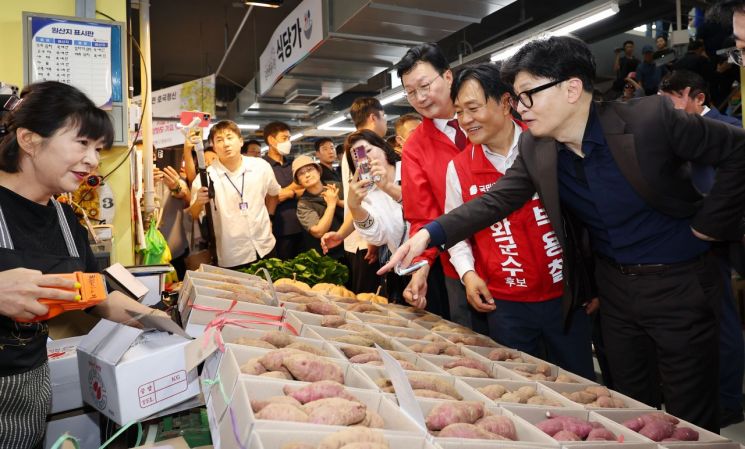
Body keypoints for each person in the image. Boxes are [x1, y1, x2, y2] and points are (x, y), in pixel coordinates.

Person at [382, 36, 745, 432]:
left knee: (689, 413)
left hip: (679, 283)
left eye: (527, 96)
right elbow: (495, 201)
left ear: (572, 88)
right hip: (615, 293)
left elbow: (737, 150)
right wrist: (428, 236)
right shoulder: (539, 148)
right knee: (630, 405)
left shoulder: (650, 119)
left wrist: (709, 227)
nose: (519, 108)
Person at [0, 81, 167, 448]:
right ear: (29, 140)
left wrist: (168, 323)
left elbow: (99, 296)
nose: (93, 160)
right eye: (81, 143)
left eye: (98, 148)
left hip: (30, 388)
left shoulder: (65, 218)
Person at [444, 62, 595, 380]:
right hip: (506, 305)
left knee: (579, 385)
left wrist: (591, 281)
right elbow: (456, 231)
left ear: (504, 102)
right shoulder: (458, 168)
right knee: (520, 386)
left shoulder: (548, 145)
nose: (465, 121)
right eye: (458, 112)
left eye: (472, 108)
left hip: (563, 298)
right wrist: (469, 275)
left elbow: (584, 214)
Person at [658, 68, 745, 427]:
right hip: (692, 239)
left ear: (698, 97)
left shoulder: (728, 130)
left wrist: (711, 226)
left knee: (723, 320)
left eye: (674, 101)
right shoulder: (676, 134)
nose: (668, 111)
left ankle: (728, 399)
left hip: (723, 239)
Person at [395, 42, 480, 330]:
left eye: (424, 86)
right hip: (458, 268)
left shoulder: (487, 118)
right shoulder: (415, 148)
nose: (419, 98)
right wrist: (421, 267)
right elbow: (423, 216)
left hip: (517, 253)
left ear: (447, 76)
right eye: (410, 92)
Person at [189, 120, 280, 269]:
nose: (226, 144)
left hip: (266, 246)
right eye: (219, 140)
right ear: (213, 146)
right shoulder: (205, 178)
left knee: (274, 290)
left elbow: (274, 193)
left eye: (230, 137)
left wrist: (270, 217)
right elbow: (193, 214)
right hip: (232, 255)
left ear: (240, 141)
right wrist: (198, 202)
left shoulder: (261, 167)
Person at [342, 130, 407, 302]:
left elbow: (425, 209)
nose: (365, 159)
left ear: (384, 148)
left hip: (436, 261)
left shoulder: (410, 169)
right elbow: (378, 236)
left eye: (368, 150)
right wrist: (355, 208)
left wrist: (388, 187)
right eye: (358, 157)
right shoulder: (369, 192)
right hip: (402, 268)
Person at [335, 97, 386, 294]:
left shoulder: (353, 145)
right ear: (374, 117)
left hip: (361, 233)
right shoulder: (362, 149)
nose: (385, 122)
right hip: (367, 238)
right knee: (372, 300)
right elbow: (369, 194)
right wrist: (371, 240)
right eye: (384, 117)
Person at [262, 121, 305, 261]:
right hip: (279, 230)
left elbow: (306, 189)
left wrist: (289, 193)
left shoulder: (293, 164)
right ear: (271, 140)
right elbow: (270, 197)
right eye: (284, 138)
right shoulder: (261, 166)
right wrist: (294, 187)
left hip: (302, 227)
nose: (288, 142)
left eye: (289, 139)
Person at [294, 156, 345, 261]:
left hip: (350, 245)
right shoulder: (303, 204)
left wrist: (338, 201)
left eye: (310, 169)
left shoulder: (336, 186)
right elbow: (318, 231)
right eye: (301, 173)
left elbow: (356, 205)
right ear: (298, 181)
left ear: (318, 171)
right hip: (329, 255)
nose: (307, 175)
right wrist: (331, 205)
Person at [154, 164, 190, 279]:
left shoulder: (176, 178)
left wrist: (175, 185)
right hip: (151, 254)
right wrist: (147, 183)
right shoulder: (138, 181)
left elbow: (187, 197)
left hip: (175, 251)